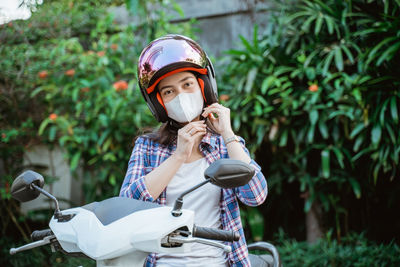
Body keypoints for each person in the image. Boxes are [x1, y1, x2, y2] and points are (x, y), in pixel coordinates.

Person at [119, 34, 268, 267]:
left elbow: (255, 195)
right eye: (168, 92)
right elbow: (126, 206)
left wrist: (228, 134)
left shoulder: (224, 145)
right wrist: (178, 156)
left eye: (187, 84)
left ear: (204, 87)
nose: (180, 95)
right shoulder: (147, 147)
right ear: (159, 103)